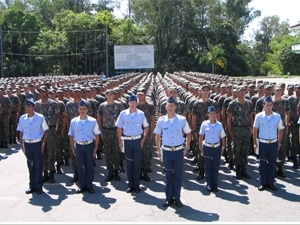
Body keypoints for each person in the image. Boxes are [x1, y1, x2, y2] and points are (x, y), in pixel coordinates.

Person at [154, 96, 191, 208]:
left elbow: (188, 133)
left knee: (178, 176)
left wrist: (187, 147)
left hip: (178, 151)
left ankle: (177, 198)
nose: (170, 107)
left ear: (176, 107)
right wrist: (158, 150)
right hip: (167, 151)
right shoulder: (161, 120)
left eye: (172, 106)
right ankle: (169, 198)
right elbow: (157, 135)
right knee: (168, 175)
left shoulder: (181, 120)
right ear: (166, 107)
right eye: (168, 105)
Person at [115, 94, 149, 194]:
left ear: (137, 103)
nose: (132, 104)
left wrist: (143, 139)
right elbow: (119, 128)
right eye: (131, 102)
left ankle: (137, 185)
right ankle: (130, 184)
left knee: (137, 163)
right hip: (128, 140)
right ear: (128, 103)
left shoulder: (141, 114)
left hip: (137, 140)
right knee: (129, 163)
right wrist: (120, 141)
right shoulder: (123, 114)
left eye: (134, 102)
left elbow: (146, 126)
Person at [17, 98, 49, 195]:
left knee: (38, 166)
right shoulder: (22, 118)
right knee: (30, 165)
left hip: (37, 143)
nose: (27, 108)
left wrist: (43, 144)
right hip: (28, 143)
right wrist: (21, 144)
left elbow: (46, 131)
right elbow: (21, 132)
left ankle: (39, 186)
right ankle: (32, 186)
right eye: (26, 106)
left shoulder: (40, 117)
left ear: (33, 107)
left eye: (29, 106)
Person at [68, 99, 101, 194]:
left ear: (87, 110)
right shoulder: (74, 121)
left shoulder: (92, 121)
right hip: (79, 146)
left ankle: (89, 185)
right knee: (80, 166)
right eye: (80, 109)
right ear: (78, 110)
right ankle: (82, 185)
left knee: (89, 166)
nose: (82, 111)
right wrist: (72, 147)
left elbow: (97, 134)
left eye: (84, 109)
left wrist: (95, 148)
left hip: (89, 145)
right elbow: (71, 135)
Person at [253, 96, 284, 191]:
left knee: (272, 164)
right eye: (267, 105)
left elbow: (281, 129)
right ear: (263, 105)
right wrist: (255, 143)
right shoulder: (259, 116)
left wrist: (279, 143)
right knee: (262, 163)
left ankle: (271, 182)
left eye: (270, 105)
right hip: (263, 143)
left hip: (273, 143)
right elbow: (254, 129)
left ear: (272, 105)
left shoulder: (277, 116)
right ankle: (263, 182)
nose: (269, 107)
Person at [97, 89, 125, 182]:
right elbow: (99, 119)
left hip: (116, 130)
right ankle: (110, 171)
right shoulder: (102, 106)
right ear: (106, 96)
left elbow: (123, 118)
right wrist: (101, 131)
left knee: (117, 152)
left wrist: (122, 131)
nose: (109, 96)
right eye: (107, 94)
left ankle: (116, 171)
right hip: (106, 130)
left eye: (111, 94)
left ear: (114, 95)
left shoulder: (119, 105)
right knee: (108, 152)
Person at [198, 106, 226, 192]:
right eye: (211, 114)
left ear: (216, 114)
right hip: (207, 147)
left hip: (216, 147)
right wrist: (200, 146)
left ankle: (215, 184)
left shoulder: (219, 124)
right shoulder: (204, 124)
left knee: (215, 166)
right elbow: (201, 136)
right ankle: (209, 184)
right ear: (208, 114)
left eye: (214, 114)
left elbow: (222, 137)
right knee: (208, 167)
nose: (213, 115)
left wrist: (223, 146)